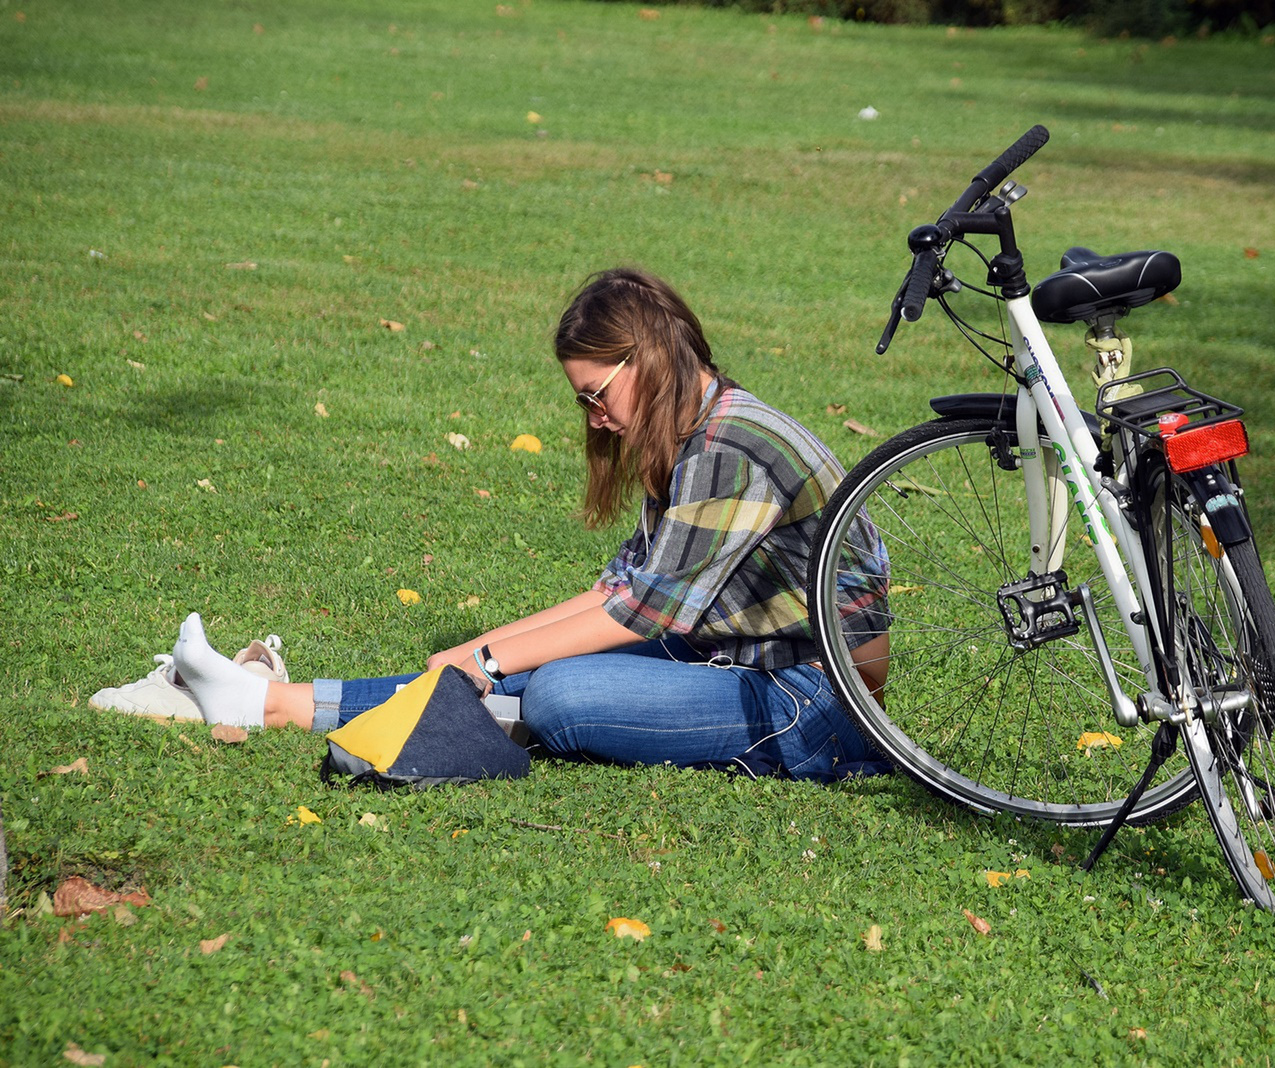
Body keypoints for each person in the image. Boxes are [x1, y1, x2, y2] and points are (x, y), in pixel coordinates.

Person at [162, 267, 890, 782]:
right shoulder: (695, 430)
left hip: (817, 707)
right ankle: (275, 702)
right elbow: (619, 591)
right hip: (730, 658)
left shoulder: (730, 448)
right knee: (515, 667)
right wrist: (476, 650)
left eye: (596, 394)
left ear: (650, 358)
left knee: (561, 696)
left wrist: (487, 664)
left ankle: (280, 703)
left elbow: (640, 615)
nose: (593, 417)